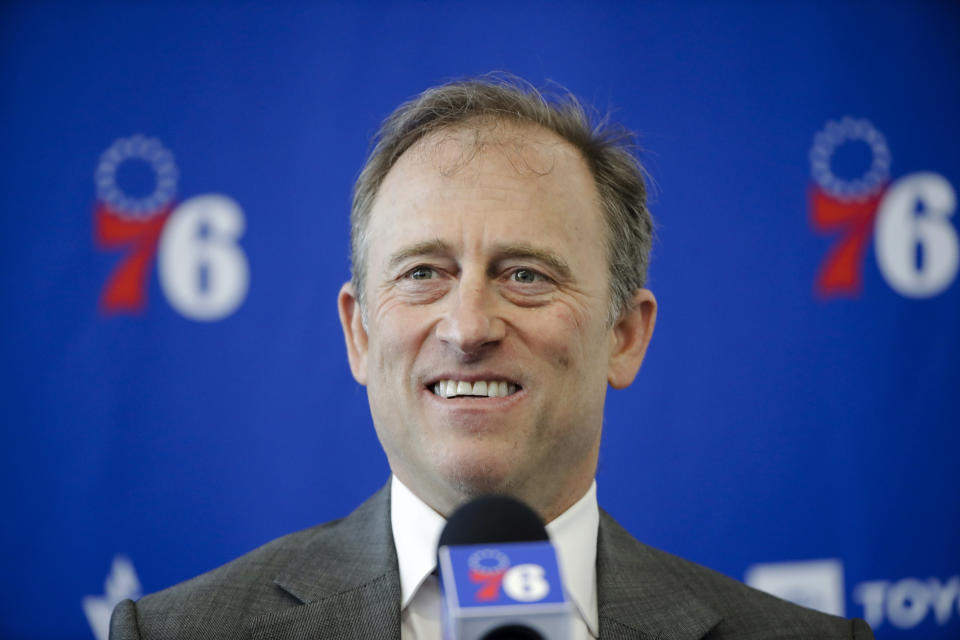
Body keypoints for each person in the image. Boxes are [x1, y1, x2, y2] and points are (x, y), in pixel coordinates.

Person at [110, 74, 874, 640]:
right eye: (422, 274)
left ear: (625, 335)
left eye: (525, 275)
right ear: (360, 333)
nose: (468, 325)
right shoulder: (177, 631)